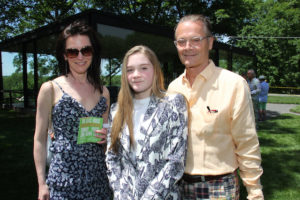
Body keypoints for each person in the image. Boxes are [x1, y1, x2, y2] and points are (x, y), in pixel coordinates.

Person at [168, 14, 264, 199]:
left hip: (219, 188)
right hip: (177, 187)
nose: (188, 47)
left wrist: (254, 191)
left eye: (196, 40)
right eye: (181, 41)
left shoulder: (233, 84)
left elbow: (247, 141)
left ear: (210, 42)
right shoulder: (173, 88)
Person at [33, 20, 112, 200]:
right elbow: (39, 138)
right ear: (64, 55)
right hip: (63, 181)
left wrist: (105, 137)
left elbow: (106, 137)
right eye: (72, 51)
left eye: (86, 50)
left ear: (93, 52)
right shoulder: (50, 89)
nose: (80, 56)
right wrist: (41, 183)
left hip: (98, 180)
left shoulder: (103, 92)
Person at [105, 45, 188, 199]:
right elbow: (112, 157)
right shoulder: (117, 110)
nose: (136, 74)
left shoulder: (173, 103)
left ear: (155, 70)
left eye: (143, 68)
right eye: (130, 70)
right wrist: (120, 193)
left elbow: (175, 161)